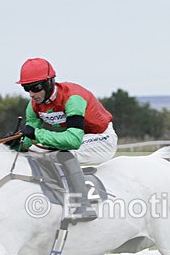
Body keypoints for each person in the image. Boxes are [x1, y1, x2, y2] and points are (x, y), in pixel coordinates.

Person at [15, 57, 118, 221]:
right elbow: (29, 141)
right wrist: (15, 144)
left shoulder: (73, 98)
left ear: (49, 82)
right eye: (26, 88)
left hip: (102, 139)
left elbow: (73, 141)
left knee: (64, 153)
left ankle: (83, 206)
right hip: (82, 139)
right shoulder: (33, 105)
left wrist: (36, 134)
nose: (31, 94)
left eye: (35, 87)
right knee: (36, 153)